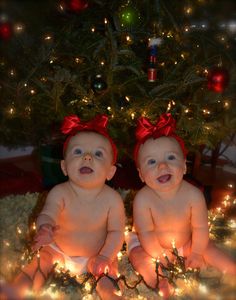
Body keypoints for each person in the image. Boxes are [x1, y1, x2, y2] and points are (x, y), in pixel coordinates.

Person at [1, 114, 125, 300]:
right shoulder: (60, 192)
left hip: (97, 255)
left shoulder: (113, 199)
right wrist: (45, 227)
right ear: (65, 167)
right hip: (59, 250)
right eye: (78, 152)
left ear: (110, 171)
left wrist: (105, 256)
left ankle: (110, 295)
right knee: (40, 261)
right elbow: (48, 213)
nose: (87, 157)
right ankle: (19, 288)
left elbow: (116, 232)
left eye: (98, 154)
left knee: (107, 274)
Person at [126, 113, 236, 298]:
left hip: (185, 242)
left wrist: (197, 251)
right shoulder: (143, 199)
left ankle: (232, 269)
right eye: (151, 162)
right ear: (141, 175)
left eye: (170, 158)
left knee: (208, 247)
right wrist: (159, 255)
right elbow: (146, 233)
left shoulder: (193, 194)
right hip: (149, 245)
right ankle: (157, 280)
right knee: (137, 256)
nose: (162, 166)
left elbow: (200, 227)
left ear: (184, 166)